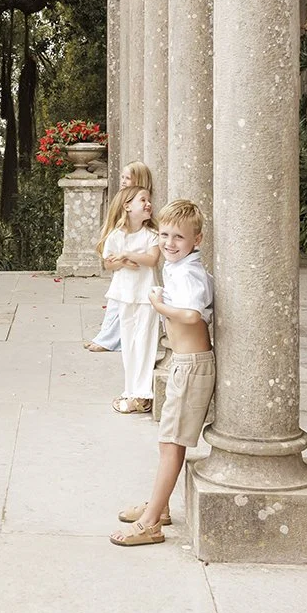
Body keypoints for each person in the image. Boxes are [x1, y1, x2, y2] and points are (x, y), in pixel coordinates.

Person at [111, 198, 214, 546]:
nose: (169, 243)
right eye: (165, 235)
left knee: (171, 443)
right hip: (185, 364)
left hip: (192, 365)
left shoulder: (187, 272)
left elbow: (192, 315)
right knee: (168, 441)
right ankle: (161, 506)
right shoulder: (178, 266)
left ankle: (151, 522)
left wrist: (159, 305)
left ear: (196, 241)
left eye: (178, 238)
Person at [98, 185, 161, 414]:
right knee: (129, 343)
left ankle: (143, 394)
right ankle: (131, 389)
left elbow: (152, 259)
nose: (148, 203)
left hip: (146, 295)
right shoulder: (116, 236)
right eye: (142, 199)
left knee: (145, 342)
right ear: (127, 206)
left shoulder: (151, 235)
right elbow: (108, 263)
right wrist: (122, 262)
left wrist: (127, 255)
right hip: (125, 295)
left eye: (149, 200)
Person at [86, 160, 156, 353]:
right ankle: (105, 337)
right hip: (122, 264)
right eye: (123, 177)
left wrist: (126, 255)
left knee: (123, 306)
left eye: (128, 178)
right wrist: (120, 258)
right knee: (116, 305)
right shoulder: (124, 204)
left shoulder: (142, 210)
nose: (123, 181)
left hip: (138, 273)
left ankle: (108, 340)